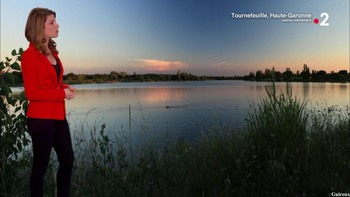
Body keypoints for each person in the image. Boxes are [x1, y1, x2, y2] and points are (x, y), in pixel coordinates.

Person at [21, 7, 76, 197]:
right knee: (40, 166)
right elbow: (32, 93)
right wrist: (61, 94)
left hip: (58, 116)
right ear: (40, 27)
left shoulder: (53, 53)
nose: (57, 25)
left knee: (68, 159)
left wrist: (64, 88)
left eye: (55, 21)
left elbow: (51, 84)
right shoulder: (29, 56)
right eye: (52, 22)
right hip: (40, 120)